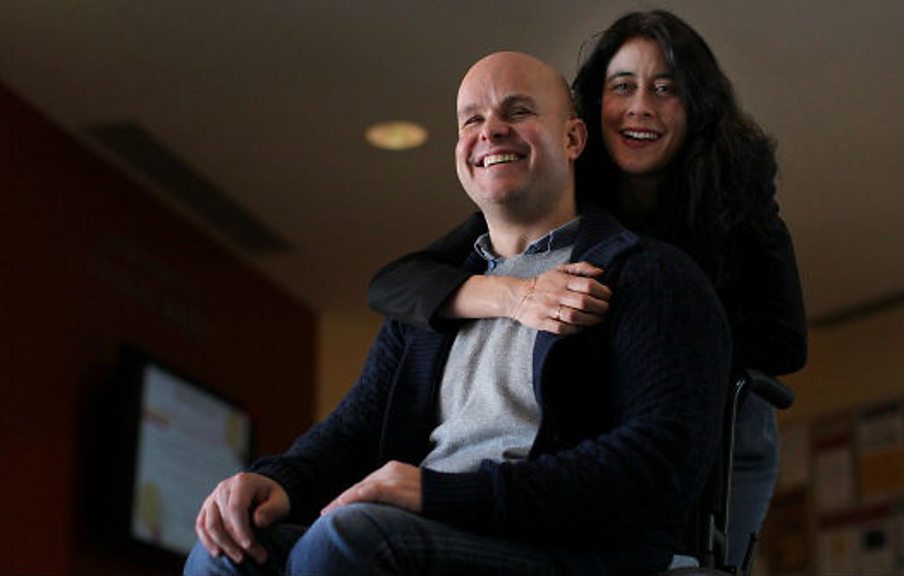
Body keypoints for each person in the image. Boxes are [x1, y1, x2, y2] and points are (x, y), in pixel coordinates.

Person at [184, 50, 731, 576]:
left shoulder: (649, 274)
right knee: (224, 552)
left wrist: (440, 493)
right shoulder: (436, 295)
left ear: (572, 138)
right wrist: (280, 481)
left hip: (566, 547)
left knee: (348, 538)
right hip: (420, 528)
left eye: (518, 111)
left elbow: (659, 464)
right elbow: (353, 432)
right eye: (472, 119)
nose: (490, 131)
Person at [368, 10, 807, 565]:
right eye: (621, 87)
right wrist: (513, 296)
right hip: (611, 416)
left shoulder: (739, 195)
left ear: (696, 104)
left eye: (664, 88)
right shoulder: (564, 187)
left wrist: (656, 331)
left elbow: (786, 343)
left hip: (725, 421)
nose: (639, 106)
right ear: (588, 111)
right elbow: (394, 283)